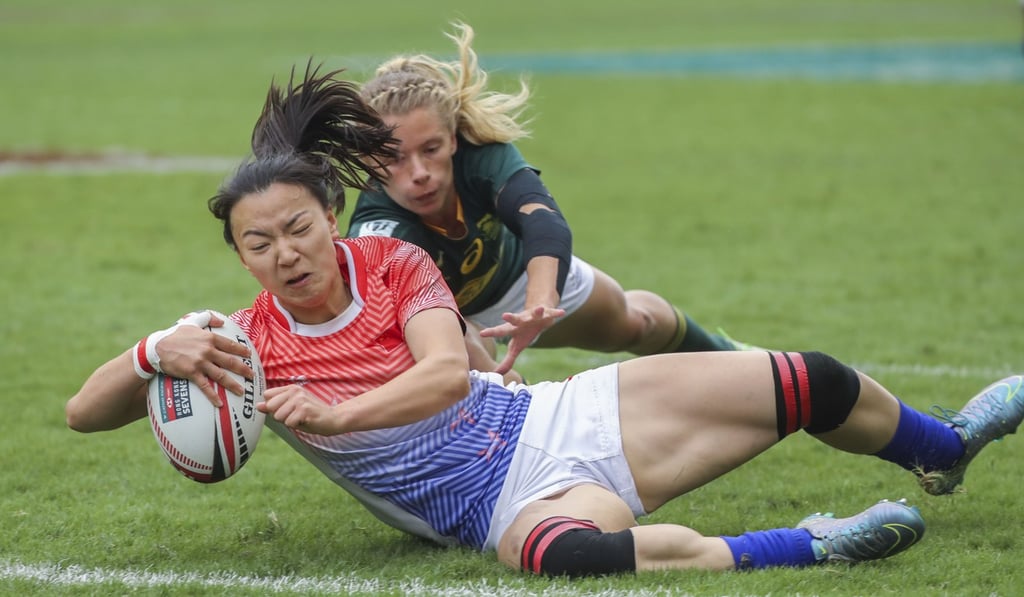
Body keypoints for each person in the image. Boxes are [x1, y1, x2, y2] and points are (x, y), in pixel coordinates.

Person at [67, 63, 1024, 578]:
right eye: (258, 242)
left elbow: (446, 373)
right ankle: (815, 542)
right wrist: (157, 349)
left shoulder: (392, 259)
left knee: (808, 378)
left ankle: (939, 447)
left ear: (329, 218)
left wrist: (337, 413)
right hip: (494, 509)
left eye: (298, 227)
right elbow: (84, 411)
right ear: (238, 255)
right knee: (569, 556)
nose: (285, 252)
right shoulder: (244, 345)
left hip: (554, 422)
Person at [346, 22, 756, 378]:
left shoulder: (481, 157)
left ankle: (739, 363)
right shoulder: (376, 228)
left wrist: (539, 305)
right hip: (447, 317)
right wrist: (496, 379)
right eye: (393, 158)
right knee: (462, 360)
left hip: (522, 278)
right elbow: (412, 321)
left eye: (431, 148)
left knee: (634, 323)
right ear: (368, 161)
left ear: (452, 139)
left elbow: (543, 223)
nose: (418, 171)